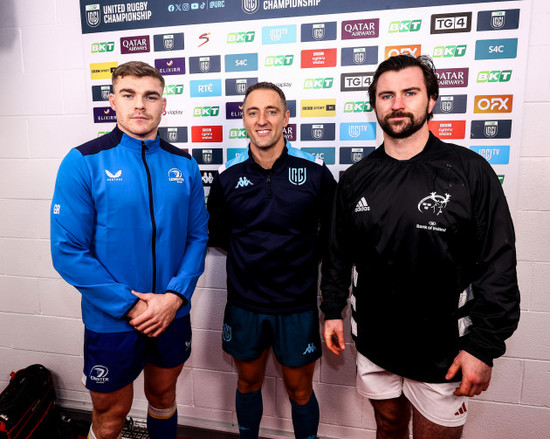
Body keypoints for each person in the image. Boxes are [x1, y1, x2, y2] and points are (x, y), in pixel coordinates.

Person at [320, 55, 520, 439]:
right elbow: (338, 253)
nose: (397, 104)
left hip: (444, 351)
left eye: (409, 93)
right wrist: (332, 309)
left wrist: (483, 347)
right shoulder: (357, 178)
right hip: (375, 342)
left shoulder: (469, 171)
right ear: (374, 105)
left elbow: (497, 264)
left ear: (431, 101)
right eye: (386, 95)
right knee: (388, 426)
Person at [50, 61, 209, 439]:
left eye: (150, 96)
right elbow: (68, 251)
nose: (140, 105)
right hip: (112, 319)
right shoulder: (83, 162)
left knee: (163, 395)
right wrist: (133, 306)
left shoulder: (183, 163)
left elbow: (197, 237)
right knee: (110, 413)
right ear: (112, 102)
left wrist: (173, 297)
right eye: (129, 95)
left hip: (171, 313)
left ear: (163, 105)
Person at [207, 82, 336, 439]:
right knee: (247, 384)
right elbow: (219, 237)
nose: (262, 120)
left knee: (300, 391)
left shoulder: (315, 173)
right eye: (253, 112)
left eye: (271, 111)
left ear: (286, 118)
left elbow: (332, 239)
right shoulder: (227, 178)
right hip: (245, 305)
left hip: (297, 306)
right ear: (244, 121)